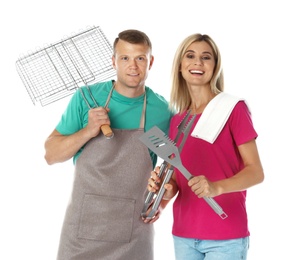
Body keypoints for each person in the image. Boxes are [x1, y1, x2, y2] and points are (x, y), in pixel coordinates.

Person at [44, 29, 173, 260]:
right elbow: (51, 155)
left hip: (134, 232)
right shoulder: (86, 98)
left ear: (150, 62)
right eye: (125, 58)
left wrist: (161, 203)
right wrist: (87, 131)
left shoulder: (161, 111)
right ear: (113, 61)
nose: (132, 66)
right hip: (82, 234)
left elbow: (175, 166)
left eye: (140, 58)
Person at [143, 33, 264, 259]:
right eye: (190, 56)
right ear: (180, 66)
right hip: (184, 235)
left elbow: (256, 172)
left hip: (226, 236)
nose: (198, 62)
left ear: (215, 66)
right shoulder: (178, 121)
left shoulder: (233, 109)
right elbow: (178, 179)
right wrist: (165, 191)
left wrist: (216, 187)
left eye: (206, 57)